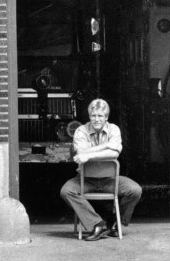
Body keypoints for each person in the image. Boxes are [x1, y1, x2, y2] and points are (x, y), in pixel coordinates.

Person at [60, 98, 142, 241]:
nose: (96, 119)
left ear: (106, 117)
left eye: (100, 116)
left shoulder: (114, 129)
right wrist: (106, 146)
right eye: (93, 116)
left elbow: (114, 153)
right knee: (66, 191)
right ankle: (97, 224)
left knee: (135, 190)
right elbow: (81, 152)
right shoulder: (81, 131)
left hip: (110, 180)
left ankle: (116, 223)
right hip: (85, 180)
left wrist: (89, 154)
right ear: (89, 116)